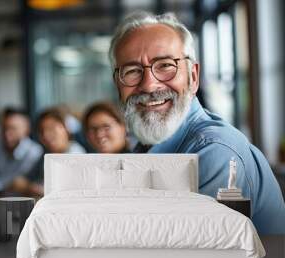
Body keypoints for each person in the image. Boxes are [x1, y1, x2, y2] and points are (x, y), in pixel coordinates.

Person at [109, 11, 285, 234]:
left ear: (193, 77)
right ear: (118, 85)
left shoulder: (216, 151)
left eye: (164, 65)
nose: (149, 85)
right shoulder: (147, 147)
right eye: (132, 71)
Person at [10, 107, 86, 197]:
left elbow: (62, 194)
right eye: (41, 131)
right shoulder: (46, 154)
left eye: (51, 128)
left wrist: (29, 187)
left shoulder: (75, 154)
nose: (46, 135)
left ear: (66, 128)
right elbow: (20, 181)